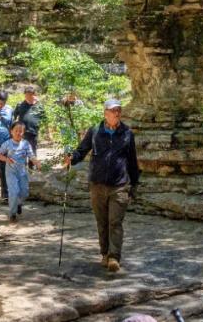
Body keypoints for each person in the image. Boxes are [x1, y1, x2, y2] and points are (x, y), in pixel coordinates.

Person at [62, 98, 140, 273]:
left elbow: (132, 161)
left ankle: (114, 257)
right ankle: (104, 253)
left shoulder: (127, 133)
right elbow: (82, 150)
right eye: (113, 110)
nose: (117, 113)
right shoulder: (95, 131)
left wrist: (134, 184)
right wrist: (72, 158)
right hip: (97, 184)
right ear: (105, 113)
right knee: (102, 222)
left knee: (115, 222)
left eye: (118, 110)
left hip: (119, 185)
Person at [0, 121, 39, 222]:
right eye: (16, 131)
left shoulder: (25, 143)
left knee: (24, 192)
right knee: (13, 192)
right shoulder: (7, 143)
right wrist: (6, 159)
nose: (18, 133)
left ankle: (18, 203)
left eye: (21, 131)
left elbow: (31, 155)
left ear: (23, 132)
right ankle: (12, 214)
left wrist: (36, 162)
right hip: (11, 171)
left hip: (22, 171)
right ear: (11, 131)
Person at [11, 84, 45, 153]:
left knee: (32, 151)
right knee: (21, 151)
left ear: (34, 95)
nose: (28, 96)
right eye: (27, 94)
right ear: (25, 95)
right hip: (22, 132)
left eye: (30, 94)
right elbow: (14, 117)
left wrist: (43, 130)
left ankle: (32, 160)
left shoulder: (39, 106)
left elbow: (44, 118)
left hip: (33, 132)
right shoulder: (20, 105)